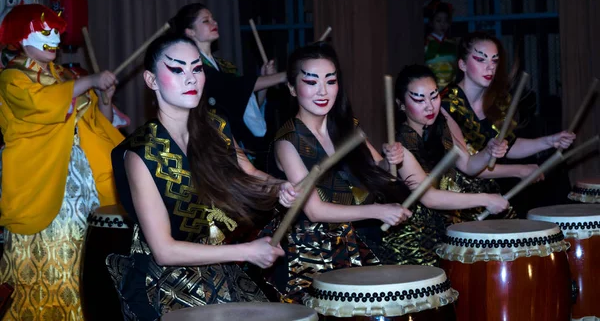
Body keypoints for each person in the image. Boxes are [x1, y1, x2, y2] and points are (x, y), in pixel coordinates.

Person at [107, 34, 295, 320]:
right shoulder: (141, 153)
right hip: (166, 283)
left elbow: (252, 175)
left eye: (196, 69)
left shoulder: (216, 126)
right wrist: (246, 252)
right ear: (151, 80)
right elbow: (164, 251)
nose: (191, 79)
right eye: (177, 69)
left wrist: (284, 186)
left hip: (219, 266)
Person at [0, 3, 124, 320]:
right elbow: (43, 105)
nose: (54, 37)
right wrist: (90, 81)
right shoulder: (12, 78)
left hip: (83, 182)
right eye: (45, 31)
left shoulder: (65, 76)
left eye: (56, 31)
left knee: (86, 254)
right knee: (51, 257)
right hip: (41, 179)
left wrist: (105, 99)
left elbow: (99, 123)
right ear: (20, 36)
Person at [268, 43, 412, 303]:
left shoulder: (347, 126)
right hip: (313, 256)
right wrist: (378, 211)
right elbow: (315, 210)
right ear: (291, 88)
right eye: (311, 82)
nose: (323, 91)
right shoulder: (287, 141)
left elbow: (380, 170)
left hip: (358, 241)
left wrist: (393, 159)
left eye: (330, 80)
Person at [376, 64, 510, 266]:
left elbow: (468, 165)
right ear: (401, 104)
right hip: (415, 241)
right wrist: (485, 199)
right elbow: (429, 197)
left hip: (445, 226)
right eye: (419, 99)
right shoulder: (401, 146)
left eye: (434, 96)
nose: (430, 106)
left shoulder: (442, 124)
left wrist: (488, 152)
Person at [442, 31, 575, 217]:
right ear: (462, 64)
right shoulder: (447, 105)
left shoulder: (497, 100)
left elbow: (508, 147)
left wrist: (550, 141)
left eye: (494, 61)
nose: (489, 67)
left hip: (490, 194)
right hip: (453, 199)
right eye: (481, 60)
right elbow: (466, 167)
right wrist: (518, 170)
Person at [169, 3, 287, 146]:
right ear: (190, 32)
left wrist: (265, 82)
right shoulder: (193, 68)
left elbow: (245, 105)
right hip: (210, 144)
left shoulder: (226, 67)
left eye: (213, 19)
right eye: (206, 21)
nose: (214, 22)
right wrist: (283, 76)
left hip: (236, 143)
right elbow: (234, 86)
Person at [424, 2, 457, 90]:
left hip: (451, 87)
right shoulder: (426, 43)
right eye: (438, 21)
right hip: (431, 87)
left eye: (445, 21)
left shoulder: (453, 44)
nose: (442, 24)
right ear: (431, 22)